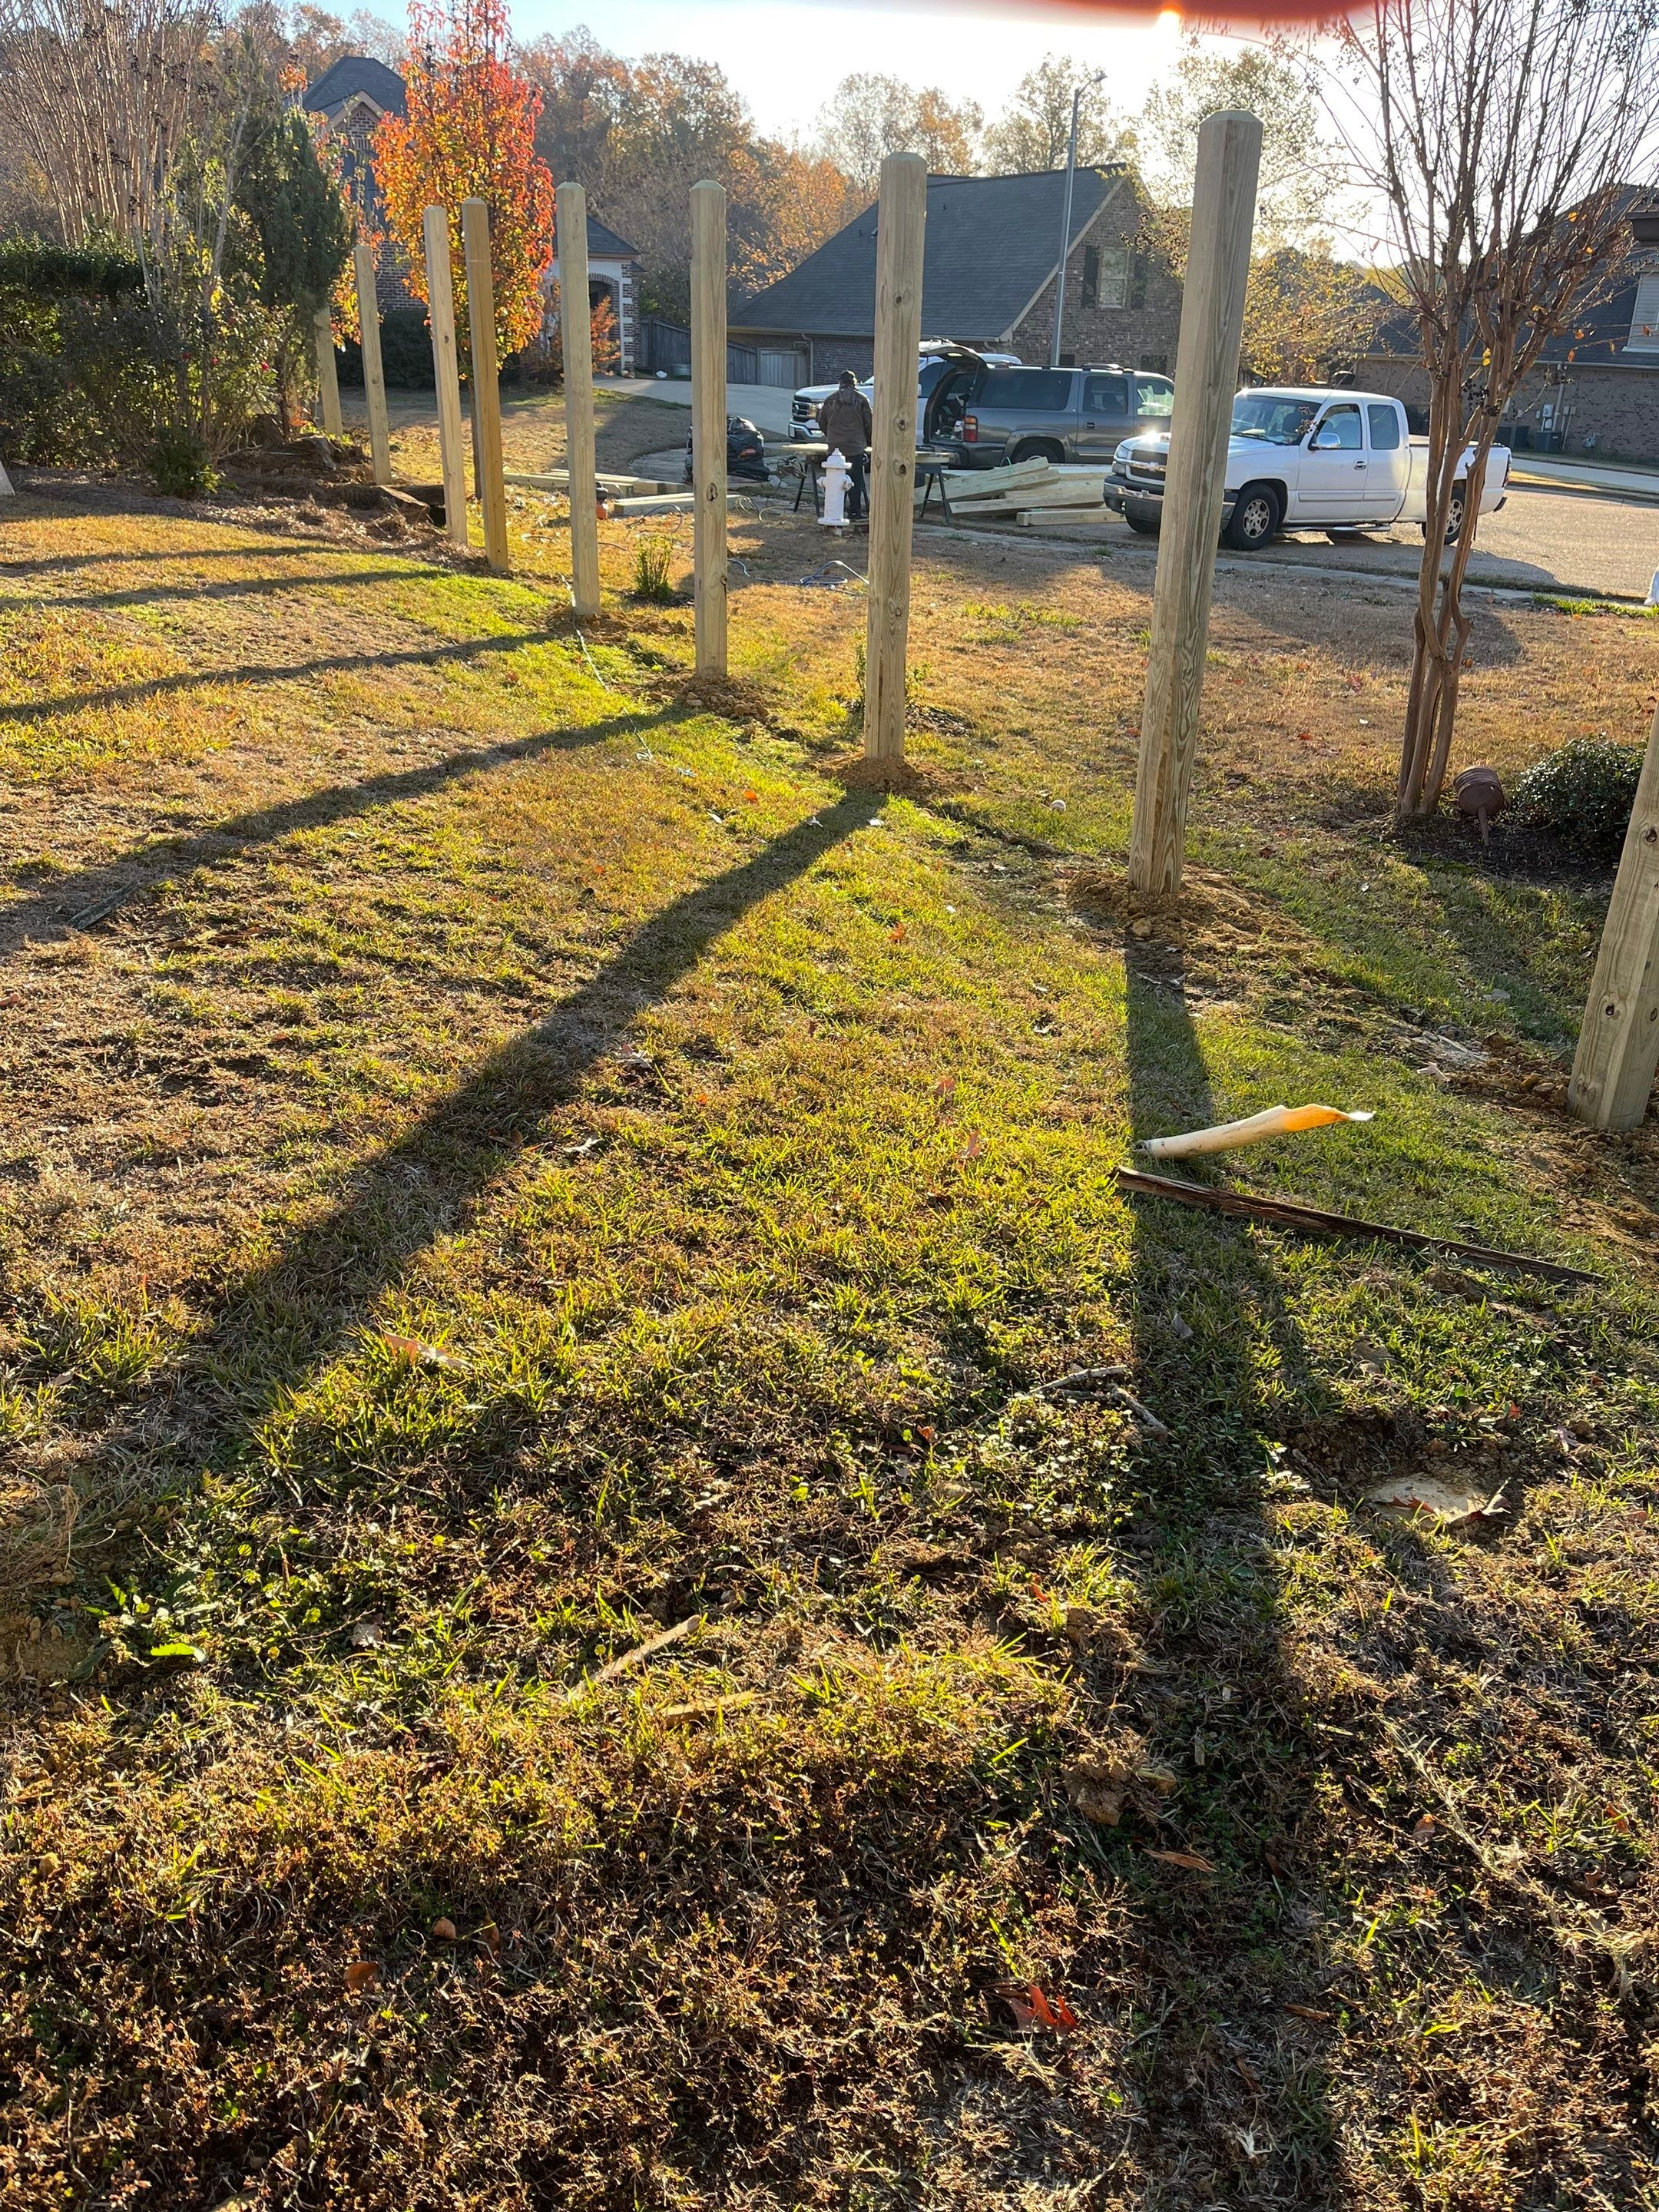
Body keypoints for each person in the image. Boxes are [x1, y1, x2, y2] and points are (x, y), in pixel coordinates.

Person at [816, 371, 873, 522]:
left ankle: (835, 510)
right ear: (854, 382)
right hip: (855, 446)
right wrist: (867, 441)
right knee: (854, 481)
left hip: (834, 448)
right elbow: (869, 424)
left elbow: (822, 422)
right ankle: (854, 511)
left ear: (840, 382)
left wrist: (832, 436)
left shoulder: (830, 400)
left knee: (835, 481)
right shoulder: (861, 400)